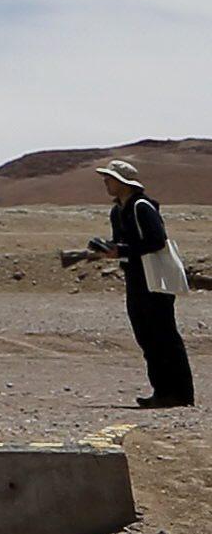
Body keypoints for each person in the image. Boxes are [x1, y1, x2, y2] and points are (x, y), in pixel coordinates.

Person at [79, 159, 193, 410]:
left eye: (109, 178)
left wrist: (121, 249)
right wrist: (109, 249)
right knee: (146, 335)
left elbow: (156, 241)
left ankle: (179, 393)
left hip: (154, 279)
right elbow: (128, 244)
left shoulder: (141, 207)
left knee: (162, 334)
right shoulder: (118, 210)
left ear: (122, 182)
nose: (105, 183)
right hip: (137, 278)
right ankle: (162, 391)